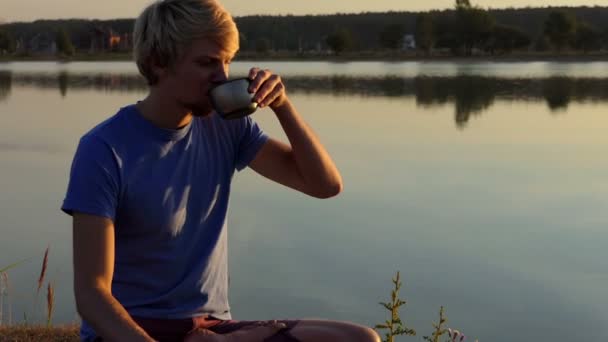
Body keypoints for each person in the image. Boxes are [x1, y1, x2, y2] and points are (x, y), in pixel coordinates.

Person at [62, 0, 380, 341]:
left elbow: (324, 185)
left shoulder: (226, 128)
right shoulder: (104, 149)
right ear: (158, 63)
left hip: (213, 328)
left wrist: (282, 106)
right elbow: (93, 295)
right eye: (207, 63)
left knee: (361, 339)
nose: (223, 77)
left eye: (227, 61)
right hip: (134, 328)